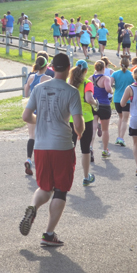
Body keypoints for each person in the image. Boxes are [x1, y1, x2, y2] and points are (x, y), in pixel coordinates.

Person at [19, 53, 84, 247]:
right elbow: (78, 124)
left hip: (41, 146)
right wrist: (80, 133)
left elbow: (26, 116)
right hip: (62, 145)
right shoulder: (71, 92)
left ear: (52, 66)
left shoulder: (38, 88)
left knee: (45, 187)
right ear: (69, 67)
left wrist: (40, 121)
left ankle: (33, 206)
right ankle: (48, 234)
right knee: (61, 190)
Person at [69, 60, 98, 187]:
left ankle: (66, 176)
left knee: (69, 149)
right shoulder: (87, 83)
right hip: (85, 119)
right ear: (86, 71)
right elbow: (88, 99)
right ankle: (86, 177)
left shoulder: (68, 83)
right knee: (85, 149)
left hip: (70, 119)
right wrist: (96, 103)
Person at [23, 56, 53, 175]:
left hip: (32, 108)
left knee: (32, 136)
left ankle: (29, 158)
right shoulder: (48, 78)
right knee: (45, 135)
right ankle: (42, 161)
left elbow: (26, 92)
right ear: (46, 66)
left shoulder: (31, 77)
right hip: (44, 109)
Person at [91, 60, 114, 156]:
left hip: (94, 104)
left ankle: (90, 147)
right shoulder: (106, 78)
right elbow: (108, 89)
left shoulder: (90, 78)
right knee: (105, 130)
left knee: (93, 127)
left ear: (95, 68)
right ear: (104, 68)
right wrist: (112, 91)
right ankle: (105, 150)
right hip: (104, 104)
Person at [111, 56, 134, 147]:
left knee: (120, 117)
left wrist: (115, 86)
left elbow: (110, 83)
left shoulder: (115, 74)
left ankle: (118, 136)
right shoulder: (131, 74)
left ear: (120, 64)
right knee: (125, 119)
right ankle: (121, 137)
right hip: (127, 99)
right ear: (129, 64)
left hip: (117, 98)